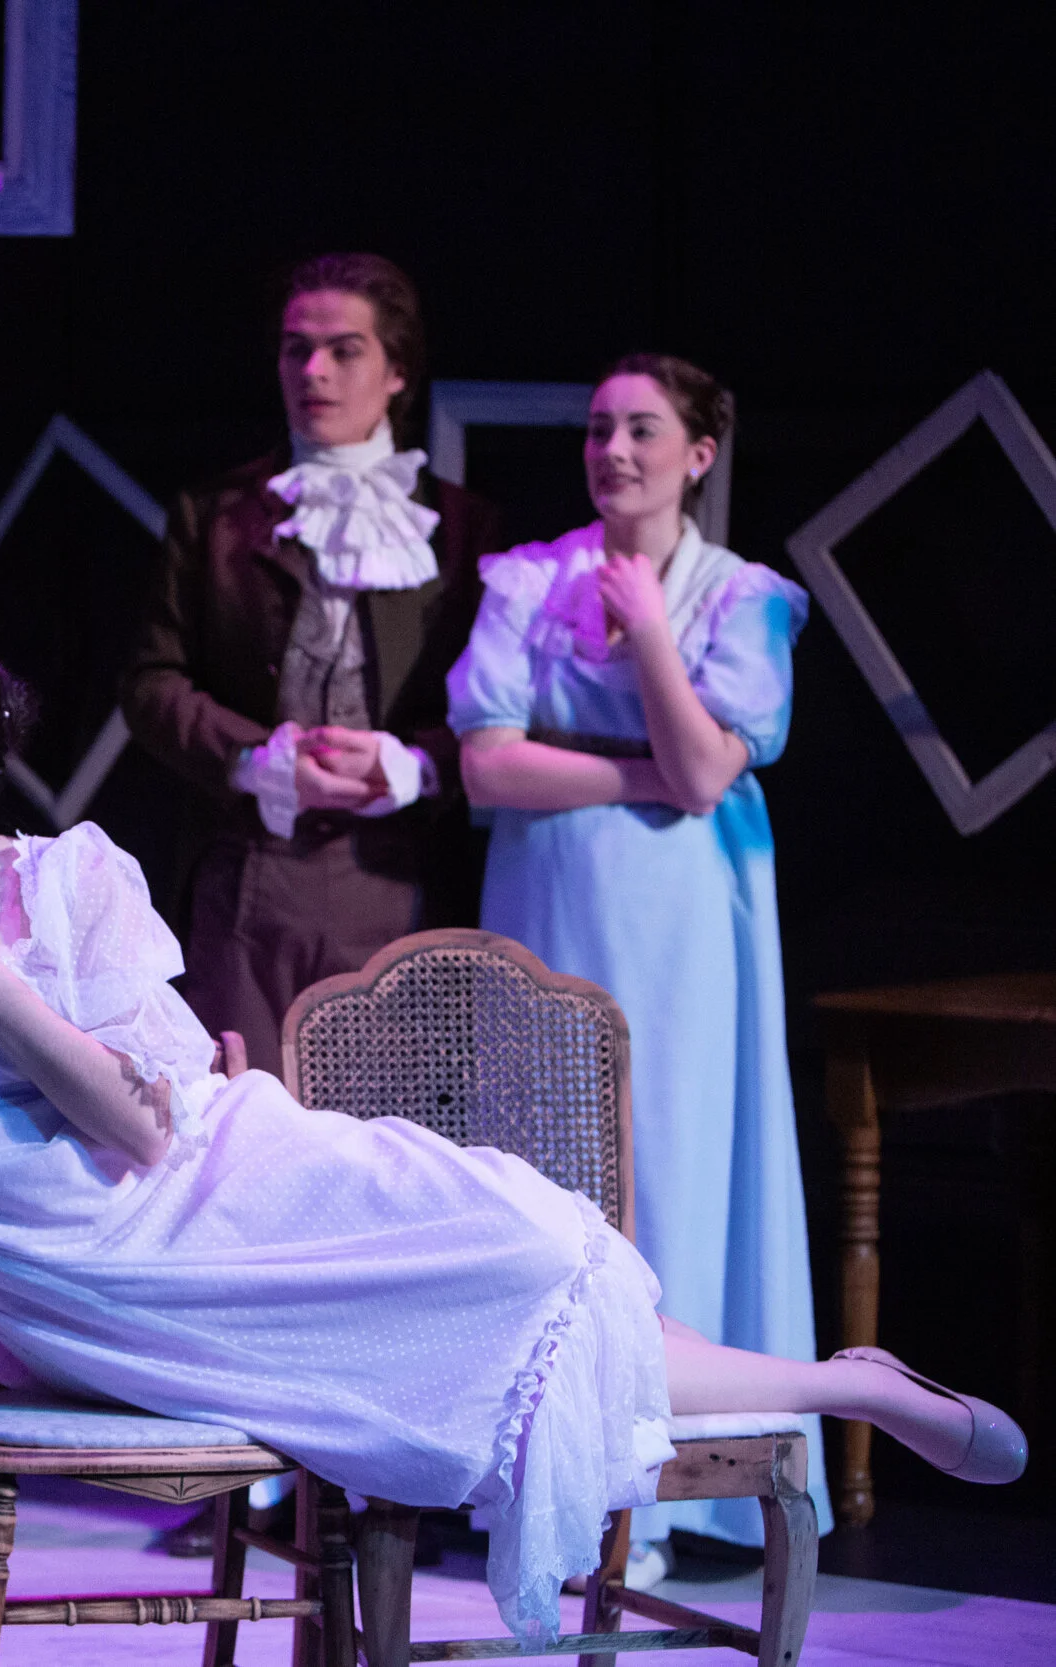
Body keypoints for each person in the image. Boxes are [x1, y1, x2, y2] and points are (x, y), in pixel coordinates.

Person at [0, 618, 1023, 1648]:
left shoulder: (70, 881)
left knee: (520, 1245)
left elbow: (147, 1129)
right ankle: (841, 1382)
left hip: (205, 1184)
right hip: (65, 1280)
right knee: (484, 1290)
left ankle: (848, 1383)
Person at [447, 355, 827, 1574]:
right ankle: (539, 1480)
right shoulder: (528, 577)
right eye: (599, 428)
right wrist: (643, 772)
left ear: (698, 453)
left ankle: (657, 1496)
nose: (612, 450)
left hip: (682, 914)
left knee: (666, 1161)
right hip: (550, 894)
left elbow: (710, 770)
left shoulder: (740, 596)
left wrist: (652, 630)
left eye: (641, 430)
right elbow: (487, 761)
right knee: (550, 1170)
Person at [123, 253, 504, 1082]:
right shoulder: (215, 516)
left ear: (397, 371)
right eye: (297, 349)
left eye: (344, 350)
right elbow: (152, 684)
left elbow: (506, 709)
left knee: (385, 1124)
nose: (314, 371)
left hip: (398, 871)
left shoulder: (464, 529)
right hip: (252, 862)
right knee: (242, 1115)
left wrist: (416, 763)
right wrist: (254, 757)